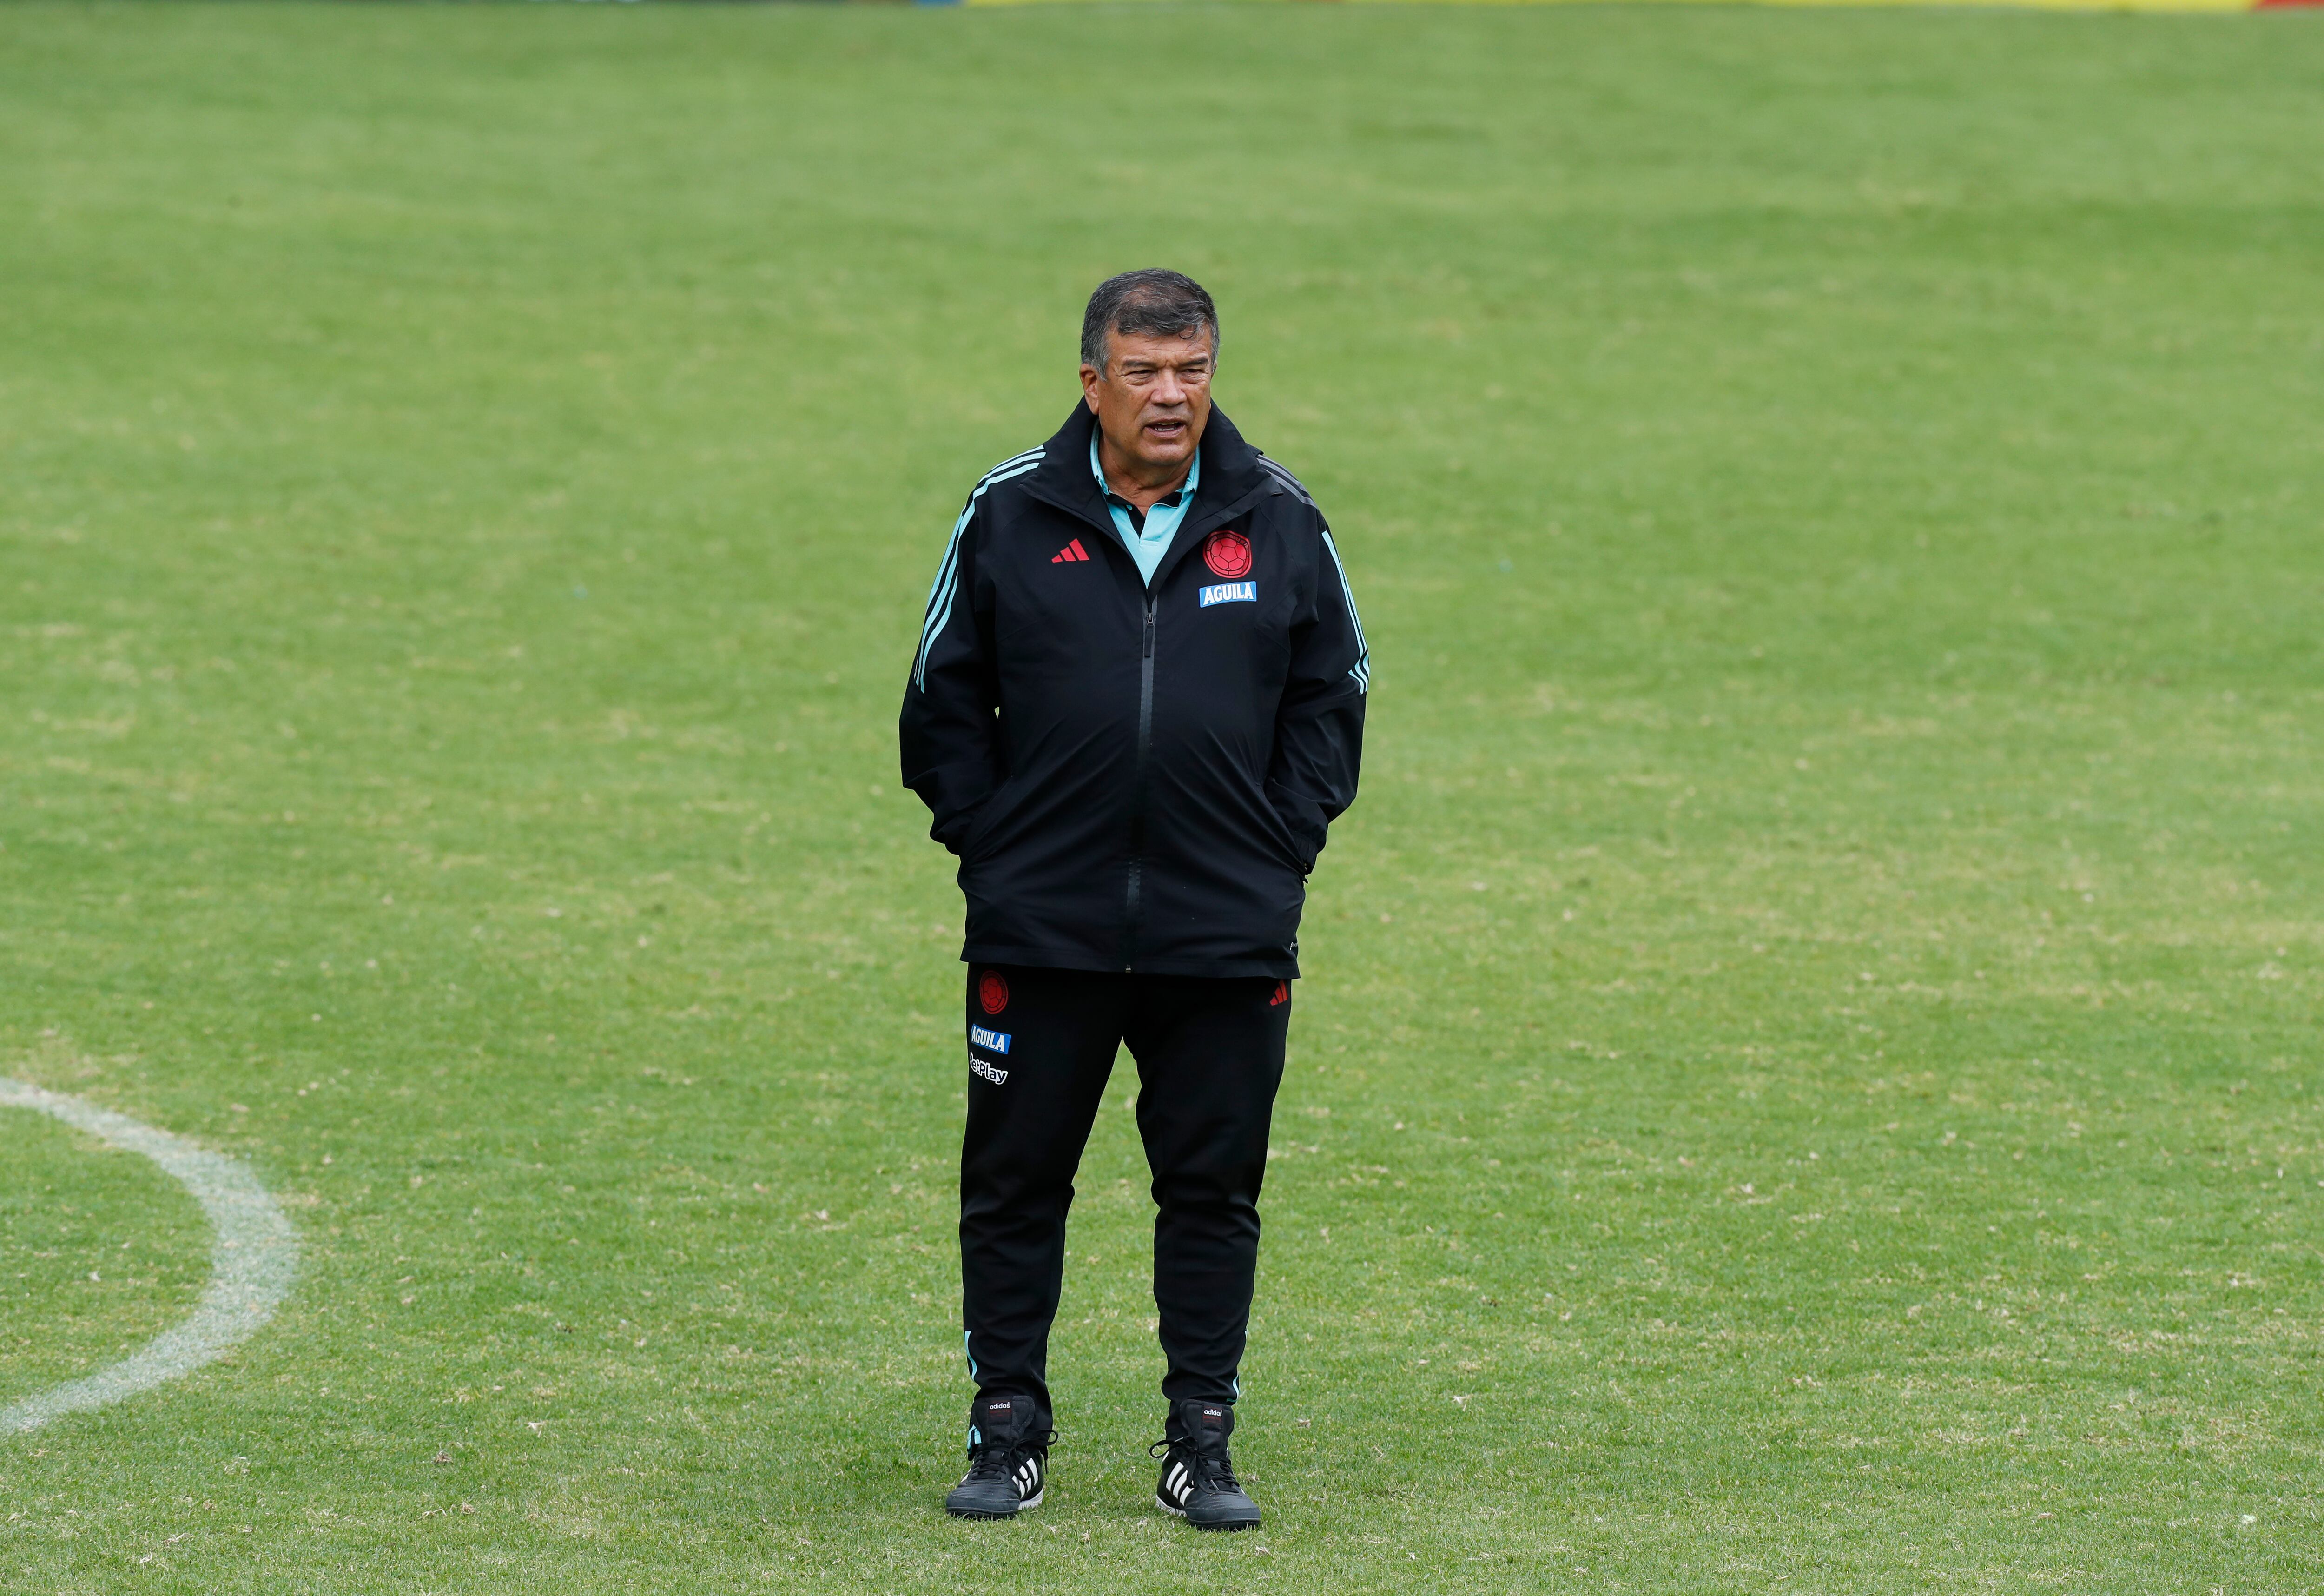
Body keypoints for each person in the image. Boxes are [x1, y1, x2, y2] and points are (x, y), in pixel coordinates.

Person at [899, 269, 1367, 1530]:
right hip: (1040, 930)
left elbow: (1334, 693)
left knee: (1211, 1187)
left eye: (1193, 369)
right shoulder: (1008, 514)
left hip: (1223, 931)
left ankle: (1201, 1442)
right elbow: (941, 697)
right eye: (1146, 370)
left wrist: (1278, 847)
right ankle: (1007, 1431)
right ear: (1092, 379)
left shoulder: (1278, 515)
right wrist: (995, 846)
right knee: (1014, 1184)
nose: (1172, 395)